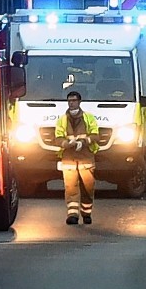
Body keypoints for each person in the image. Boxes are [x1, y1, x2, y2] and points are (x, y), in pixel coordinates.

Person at [53, 91, 100, 224]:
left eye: (74, 100)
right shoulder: (62, 120)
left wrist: (83, 142)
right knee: (70, 187)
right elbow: (57, 138)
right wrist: (66, 144)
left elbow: (96, 135)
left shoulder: (88, 118)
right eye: (69, 101)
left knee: (88, 186)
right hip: (69, 157)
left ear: (79, 102)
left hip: (86, 156)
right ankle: (72, 215)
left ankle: (86, 213)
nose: (71, 103)